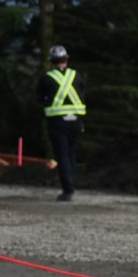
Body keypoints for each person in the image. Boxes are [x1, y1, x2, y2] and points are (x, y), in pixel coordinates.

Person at [36, 44, 86, 202]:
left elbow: (39, 99)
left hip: (58, 122)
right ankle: (71, 183)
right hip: (76, 121)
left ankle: (68, 190)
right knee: (71, 153)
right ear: (66, 60)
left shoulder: (47, 78)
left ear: (52, 61)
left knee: (62, 154)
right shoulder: (76, 75)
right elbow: (83, 93)